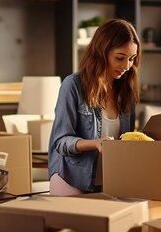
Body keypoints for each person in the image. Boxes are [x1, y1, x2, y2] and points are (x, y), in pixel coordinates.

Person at [48, 18, 141, 195]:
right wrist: (95, 144)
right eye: (120, 58)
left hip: (111, 180)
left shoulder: (126, 91)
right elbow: (60, 142)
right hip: (73, 178)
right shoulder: (73, 85)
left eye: (132, 59)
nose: (126, 66)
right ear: (102, 52)